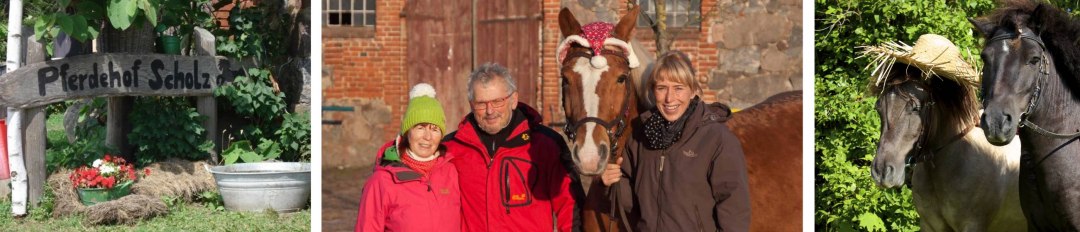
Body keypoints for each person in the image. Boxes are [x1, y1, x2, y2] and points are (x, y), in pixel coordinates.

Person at [601, 51, 751, 231]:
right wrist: (612, 183)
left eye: (678, 88)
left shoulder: (716, 139)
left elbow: (734, 208)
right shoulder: (640, 138)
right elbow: (630, 204)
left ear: (693, 90)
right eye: (662, 88)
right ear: (652, 91)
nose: (669, 98)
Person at [443, 63, 583, 232]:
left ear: (513, 100)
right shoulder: (451, 148)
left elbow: (570, 206)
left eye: (497, 101)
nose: (490, 111)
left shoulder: (546, 145)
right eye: (481, 103)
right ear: (472, 105)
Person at [356, 83, 461, 232]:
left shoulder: (451, 172)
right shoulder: (382, 181)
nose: (428, 137)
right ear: (407, 132)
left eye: (435, 129)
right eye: (420, 127)